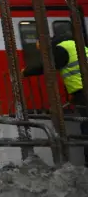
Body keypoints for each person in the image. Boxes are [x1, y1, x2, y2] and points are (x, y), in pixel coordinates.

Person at [24, 33, 88, 166]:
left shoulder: (61, 49)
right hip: (81, 93)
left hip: (84, 93)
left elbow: (47, 66)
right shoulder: (79, 46)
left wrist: (25, 72)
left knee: (86, 128)